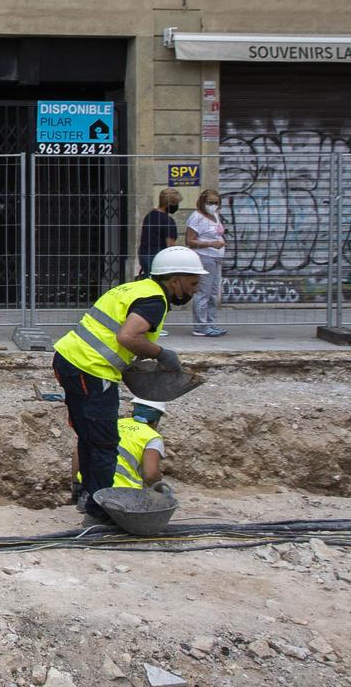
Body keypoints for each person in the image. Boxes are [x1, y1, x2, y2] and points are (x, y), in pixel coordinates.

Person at [51, 245, 204, 526]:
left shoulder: (134, 288)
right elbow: (127, 336)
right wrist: (161, 354)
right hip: (91, 368)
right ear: (175, 280)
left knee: (89, 436)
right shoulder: (154, 300)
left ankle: (88, 496)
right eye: (193, 283)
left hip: (71, 359)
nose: (195, 289)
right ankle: (99, 515)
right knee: (105, 442)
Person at [184, 189, 230, 337]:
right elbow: (189, 241)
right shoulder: (196, 218)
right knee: (203, 292)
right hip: (204, 258)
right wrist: (211, 244)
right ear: (203, 202)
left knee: (213, 293)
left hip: (216, 259)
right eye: (210, 202)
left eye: (216, 203)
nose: (213, 205)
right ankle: (200, 326)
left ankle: (210, 323)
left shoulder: (214, 215)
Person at [137, 189, 182, 279]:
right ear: (168, 204)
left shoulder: (149, 215)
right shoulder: (168, 221)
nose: (177, 206)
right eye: (175, 203)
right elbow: (170, 246)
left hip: (145, 255)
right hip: (159, 258)